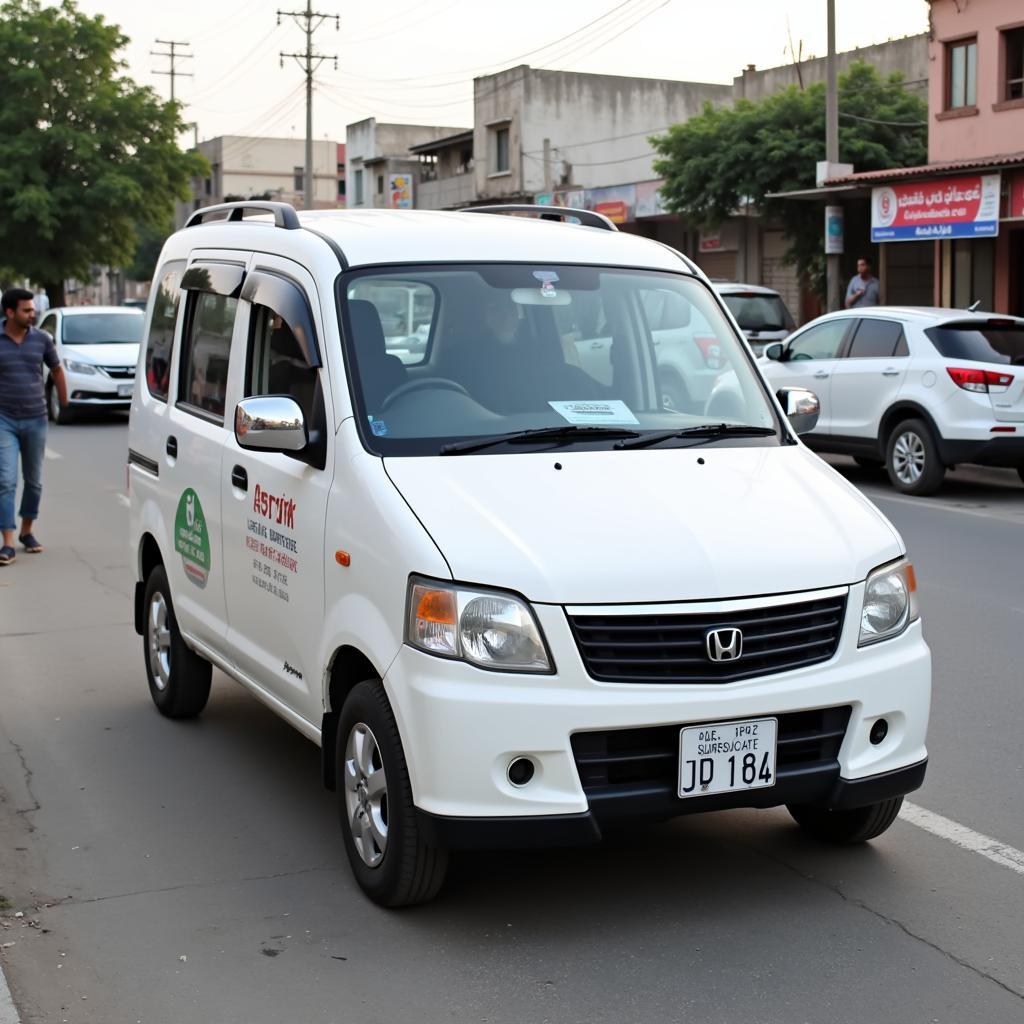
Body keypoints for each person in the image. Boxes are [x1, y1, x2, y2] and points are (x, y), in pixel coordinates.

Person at [0, 288, 67, 565]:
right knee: (5, 481)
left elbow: (57, 369)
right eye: (27, 310)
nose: (33, 314)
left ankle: (27, 531)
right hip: (3, 419)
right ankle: (8, 542)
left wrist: (63, 404)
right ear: (10, 312)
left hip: (36, 418)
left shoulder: (42, 339)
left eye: (32, 309)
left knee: (34, 480)